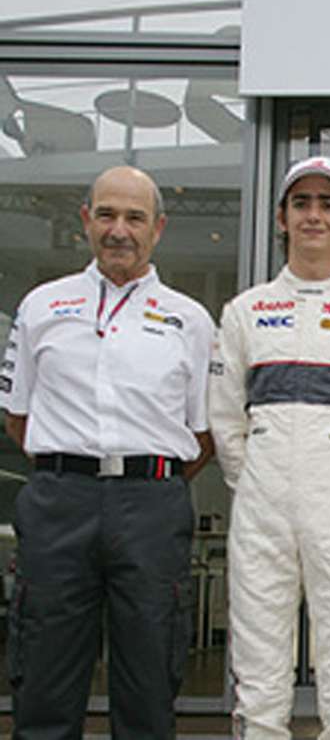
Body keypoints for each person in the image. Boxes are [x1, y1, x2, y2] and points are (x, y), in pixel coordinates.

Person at [0, 166, 215, 739]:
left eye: (134, 218)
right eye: (107, 215)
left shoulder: (191, 320)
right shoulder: (41, 306)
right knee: (43, 678)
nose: (120, 230)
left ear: (158, 228)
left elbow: (203, 433)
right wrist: (75, 468)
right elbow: (18, 416)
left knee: (148, 682)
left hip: (151, 508)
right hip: (59, 503)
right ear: (85, 220)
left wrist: (146, 478)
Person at [209, 155, 330, 739]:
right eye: (301, 203)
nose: (313, 216)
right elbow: (225, 419)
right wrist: (260, 480)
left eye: (327, 204)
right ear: (282, 218)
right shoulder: (245, 312)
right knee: (258, 682)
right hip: (261, 512)